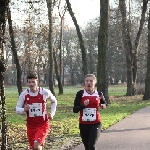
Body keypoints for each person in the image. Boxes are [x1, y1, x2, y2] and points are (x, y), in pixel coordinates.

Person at [16, 72, 57, 150]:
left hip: (43, 124)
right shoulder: (24, 94)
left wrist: (52, 113)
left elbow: (54, 101)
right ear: (27, 82)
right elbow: (17, 109)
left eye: (33, 82)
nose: (31, 84)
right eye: (29, 82)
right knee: (35, 147)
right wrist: (24, 109)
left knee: (36, 145)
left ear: (37, 82)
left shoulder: (44, 92)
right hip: (30, 126)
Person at [73, 74, 107, 150]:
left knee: (91, 145)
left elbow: (104, 103)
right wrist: (83, 105)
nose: (89, 83)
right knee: (87, 147)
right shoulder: (80, 94)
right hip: (83, 124)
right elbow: (75, 110)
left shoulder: (99, 94)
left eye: (91, 81)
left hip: (96, 123)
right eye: (87, 81)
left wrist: (103, 105)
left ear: (95, 82)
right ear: (84, 82)